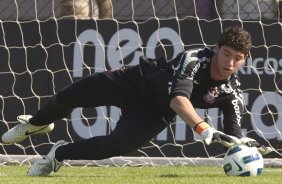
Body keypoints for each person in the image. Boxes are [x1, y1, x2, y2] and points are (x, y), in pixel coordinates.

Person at [1, 26, 273, 176]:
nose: (230, 62)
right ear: (216, 49)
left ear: (244, 60)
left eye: (238, 58)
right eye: (226, 54)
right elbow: (179, 99)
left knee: (115, 146)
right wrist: (202, 128)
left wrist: (238, 145)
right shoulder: (194, 59)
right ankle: (34, 125)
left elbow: (234, 129)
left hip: (154, 112)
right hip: (133, 82)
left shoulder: (231, 91)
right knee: (72, 96)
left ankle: (57, 154)